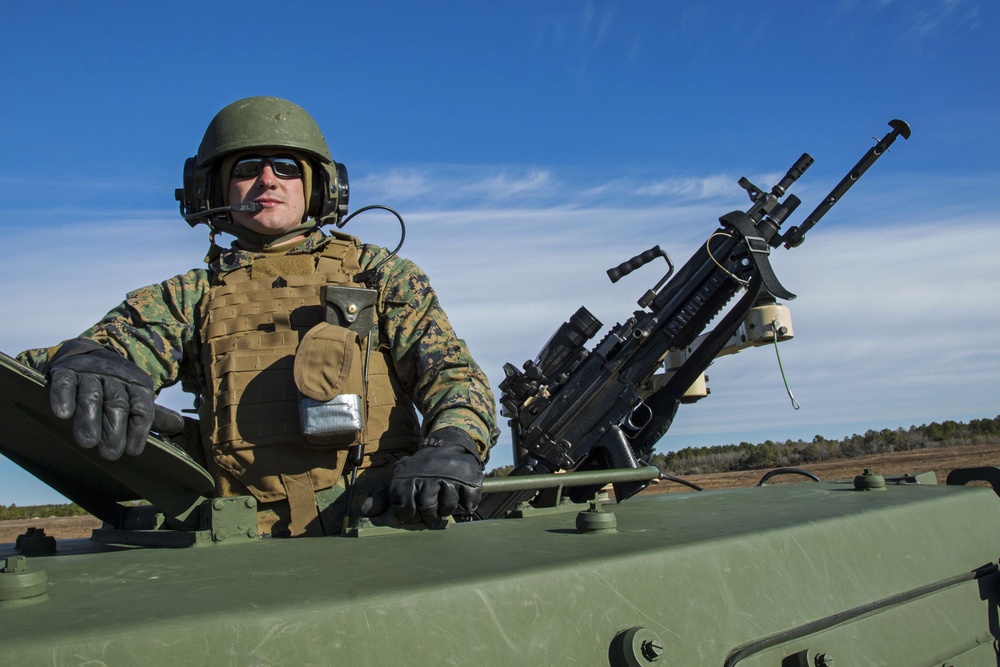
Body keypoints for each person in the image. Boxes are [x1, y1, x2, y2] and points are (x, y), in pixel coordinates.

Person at [17, 96, 498, 537]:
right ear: (211, 188)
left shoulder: (380, 275)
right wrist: (76, 358)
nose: (268, 180)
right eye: (247, 167)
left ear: (321, 187)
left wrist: (454, 442)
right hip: (242, 541)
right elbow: (67, 366)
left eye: (287, 168)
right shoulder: (190, 297)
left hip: (377, 524)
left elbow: (454, 377)